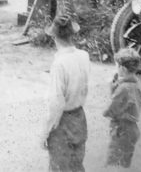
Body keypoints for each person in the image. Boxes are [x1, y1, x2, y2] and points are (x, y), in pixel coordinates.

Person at [43, 12, 90, 172]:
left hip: (63, 122)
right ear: (72, 35)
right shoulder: (84, 56)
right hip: (80, 117)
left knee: (59, 167)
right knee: (77, 165)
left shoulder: (59, 64)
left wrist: (45, 132)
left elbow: (56, 103)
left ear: (54, 38)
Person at [103, 47, 141, 168]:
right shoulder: (139, 85)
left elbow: (110, 111)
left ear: (122, 68)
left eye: (117, 66)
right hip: (132, 129)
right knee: (124, 163)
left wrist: (112, 90)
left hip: (121, 130)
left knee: (113, 164)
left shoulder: (123, 89)